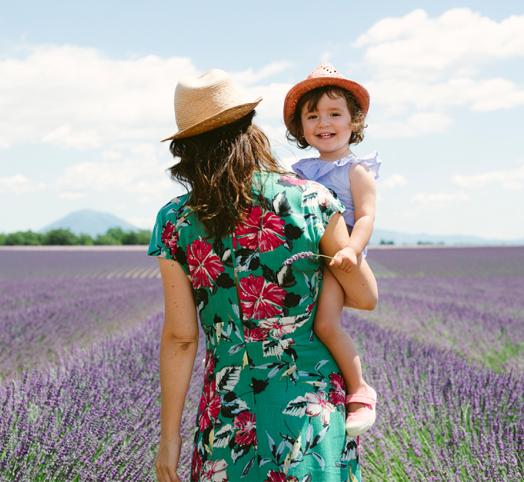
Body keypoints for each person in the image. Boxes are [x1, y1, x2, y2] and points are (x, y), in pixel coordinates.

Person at [148, 68, 377, 482]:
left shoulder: (174, 220)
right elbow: (364, 297)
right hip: (309, 415)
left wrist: (168, 439)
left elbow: (181, 338)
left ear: (187, 148)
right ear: (251, 129)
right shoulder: (311, 199)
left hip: (227, 415)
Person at [283, 64, 380, 437]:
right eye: (313, 116)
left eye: (334, 114)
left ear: (354, 122)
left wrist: (352, 249)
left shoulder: (355, 170)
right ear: (301, 128)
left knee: (325, 324)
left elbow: (368, 217)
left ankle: (360, 389)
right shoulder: (300, 169)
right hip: (310, 257)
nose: (324, 123)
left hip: (340, 258)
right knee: (304, 326)